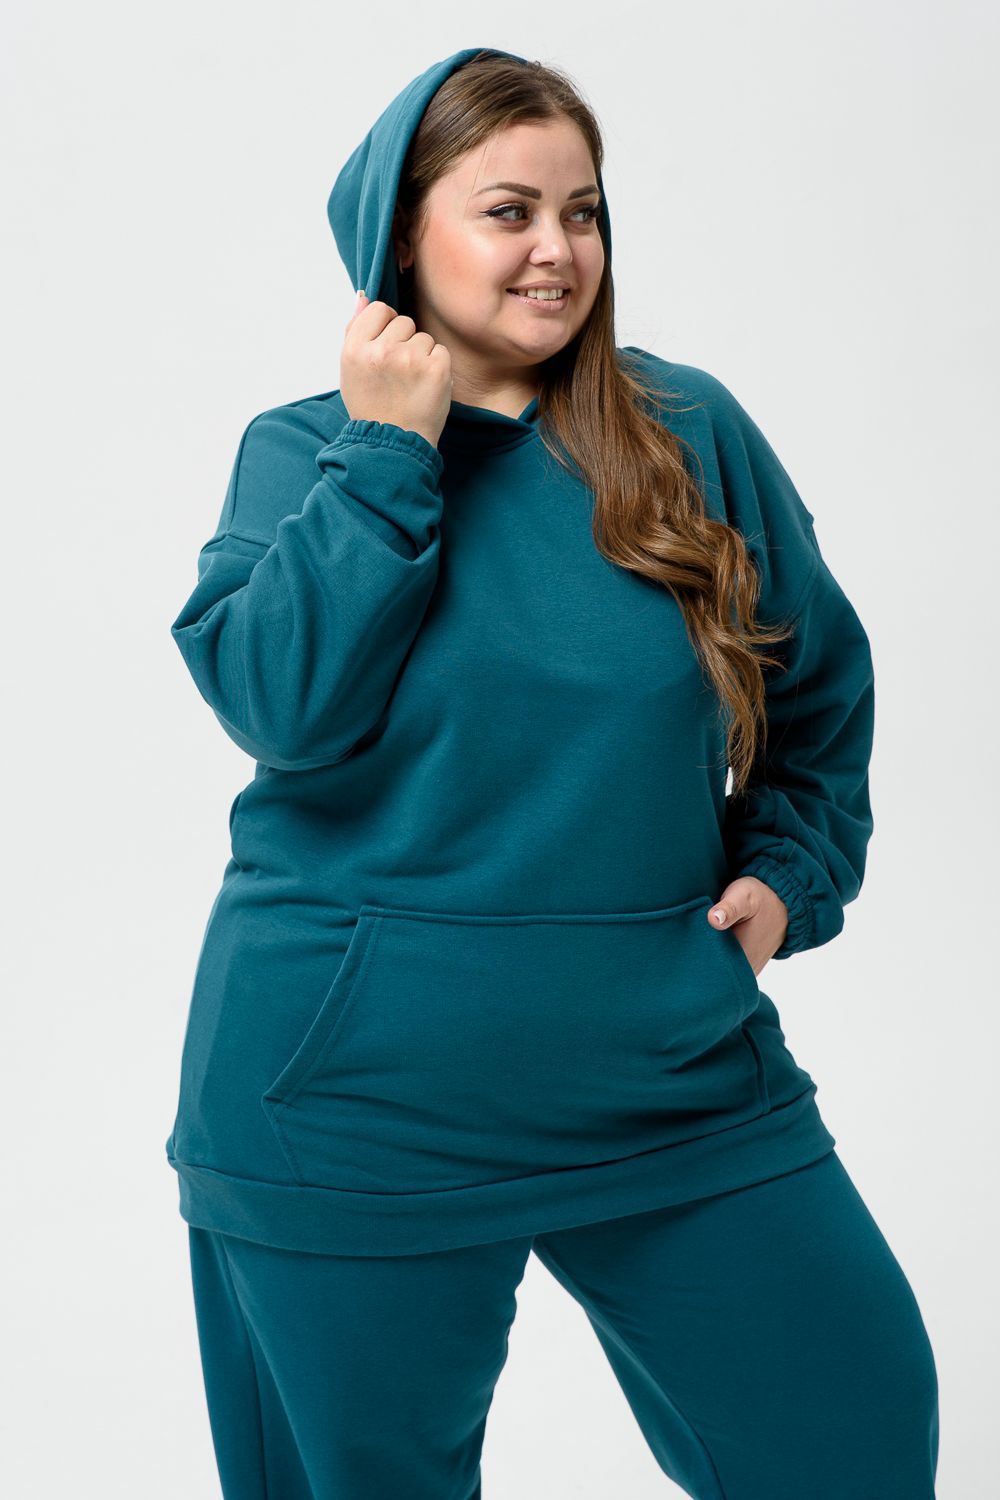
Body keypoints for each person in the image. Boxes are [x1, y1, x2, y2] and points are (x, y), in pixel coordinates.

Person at [165, 45, 940, 1499]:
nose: (558, 250)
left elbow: (818, 687)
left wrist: (789, 870)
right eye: (508, 211)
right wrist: (388, 453)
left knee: (853, 1430)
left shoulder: (686, 432)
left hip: (670, 1068)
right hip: (353, 1103)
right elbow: (283, 706)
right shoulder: (308, 452)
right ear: (404, 235)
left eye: (582, 212)